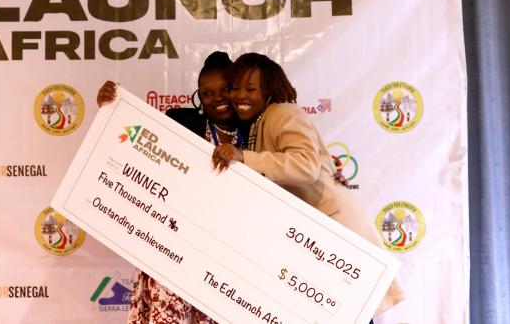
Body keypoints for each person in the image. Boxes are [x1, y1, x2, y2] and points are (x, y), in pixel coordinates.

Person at [210, 53, 405, 316]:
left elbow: (306, 165)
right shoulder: (260, 121)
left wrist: (244, 157)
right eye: (235, 88)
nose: (240, 95)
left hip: (333, 229)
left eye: (250, 88)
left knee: (347, 310)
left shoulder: (282, 112)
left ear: (269, 90)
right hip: (313, 236)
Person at [97, 51, 246, 324]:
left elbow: (292, 165)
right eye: (207, 93)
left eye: (224, 89)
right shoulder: (180, 121)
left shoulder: (258, 129)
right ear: (199, 99)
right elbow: (133, 143)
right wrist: (110, 109)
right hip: (174, 252)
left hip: (229, 264)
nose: (218, 98)